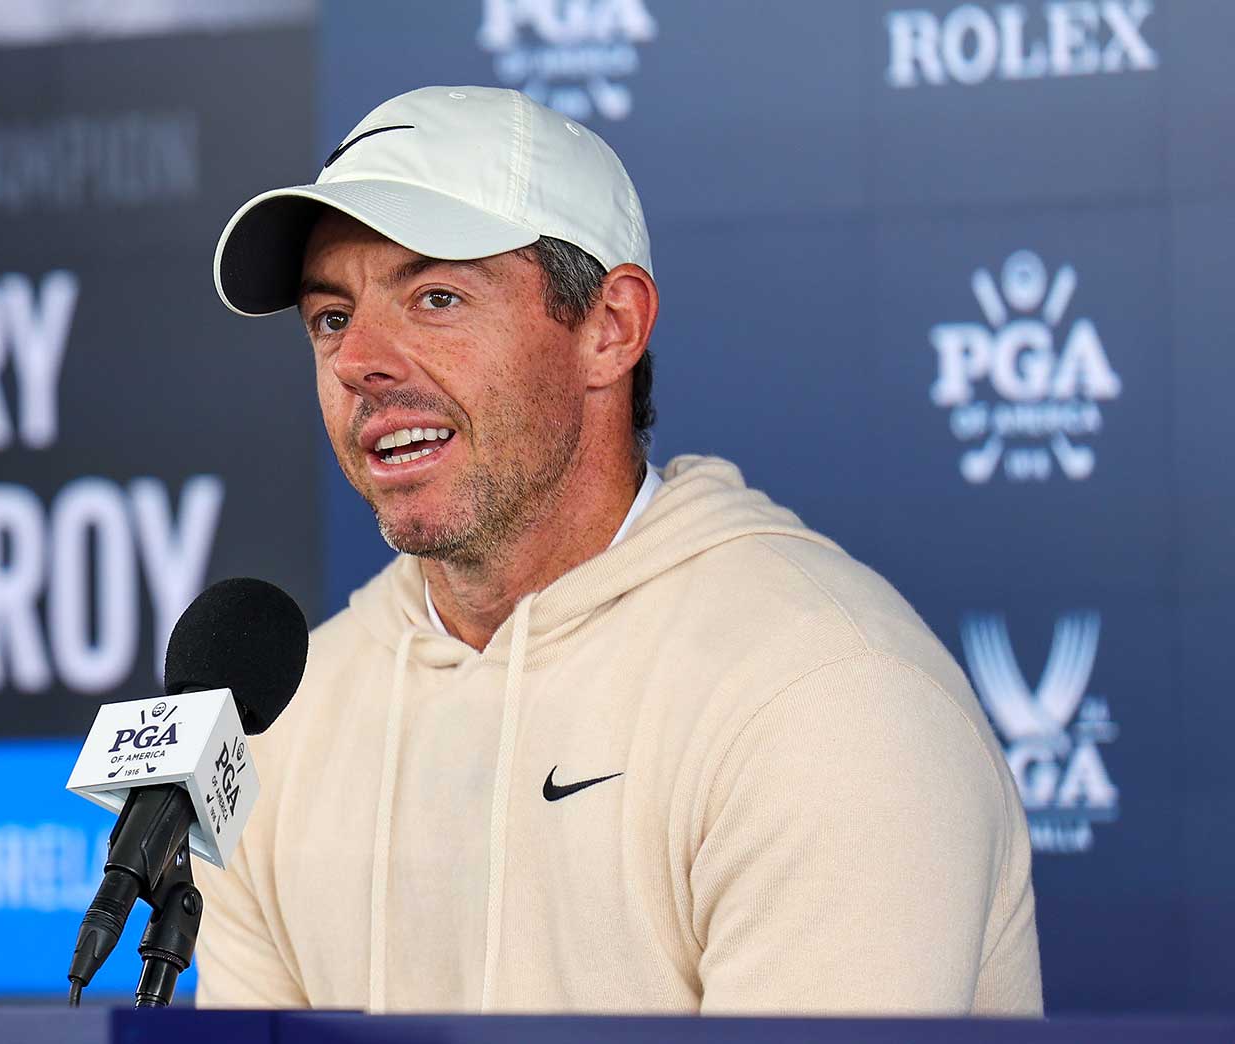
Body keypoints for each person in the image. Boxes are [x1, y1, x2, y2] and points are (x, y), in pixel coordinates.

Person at [193, 85, 1041, 1016]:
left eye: (436, 296)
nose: (361, 359)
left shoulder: (827, 695)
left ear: (612, 327)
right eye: (331, 318)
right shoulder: (284, 725)